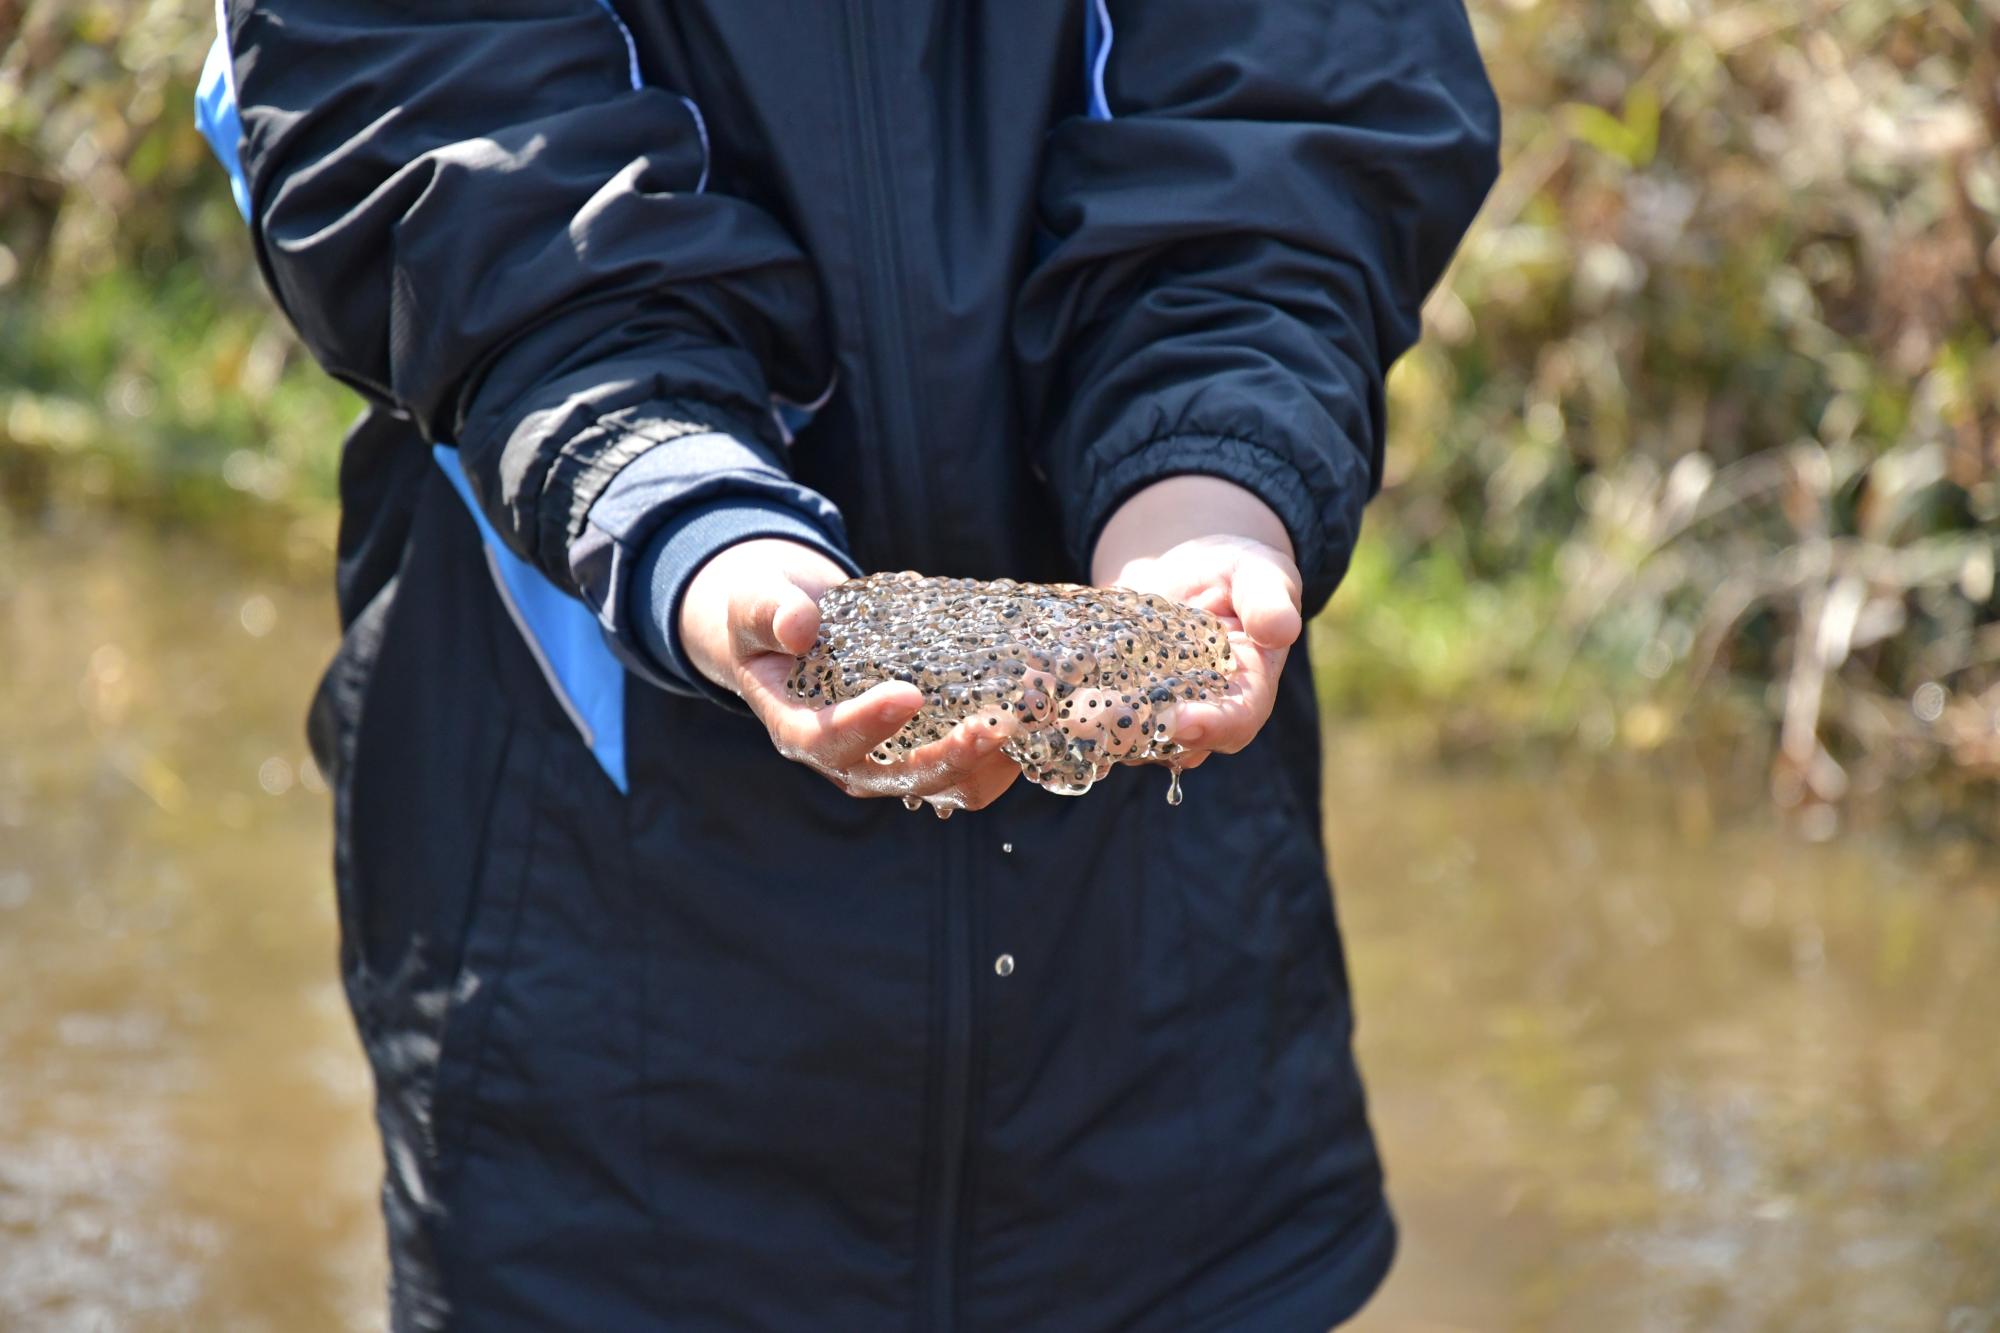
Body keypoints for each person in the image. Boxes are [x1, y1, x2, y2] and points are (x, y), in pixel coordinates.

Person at [197, 1, 1497, 1327]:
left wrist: (1210, 491)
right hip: (589, 1017)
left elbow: (1284, 132)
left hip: (1169, 1030)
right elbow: (446, 141)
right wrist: (694, 526)